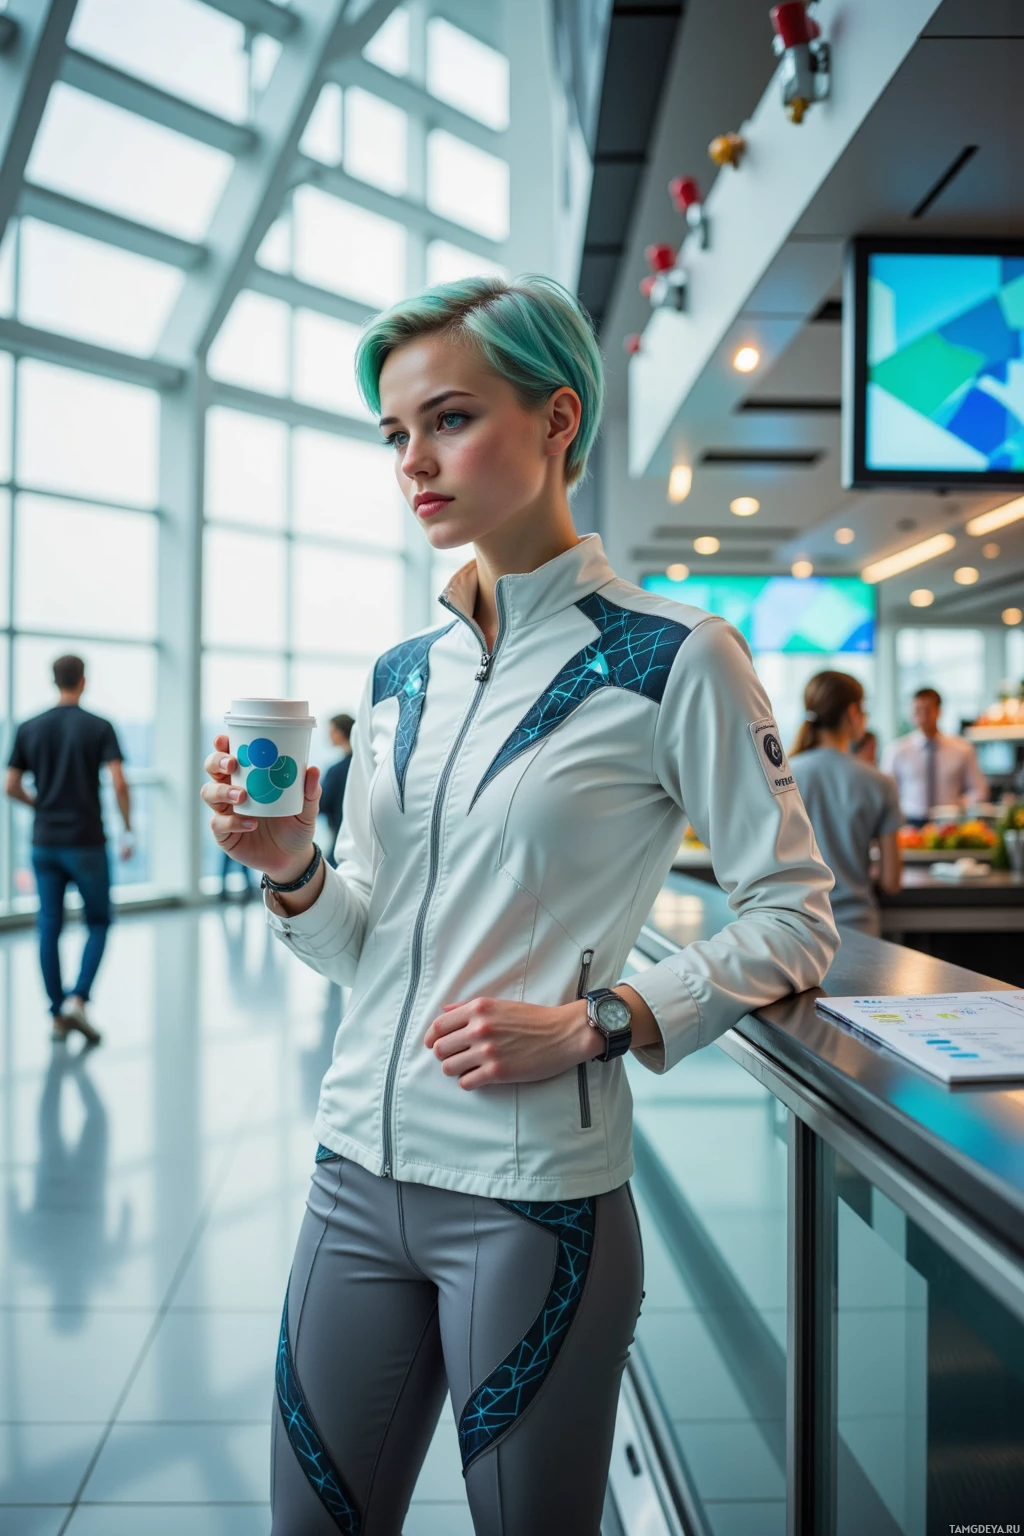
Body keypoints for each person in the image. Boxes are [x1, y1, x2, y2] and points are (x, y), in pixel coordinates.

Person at [202, 275, 838, 1536]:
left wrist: (603, 1018)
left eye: (447, 419)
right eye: (394, 434)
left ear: (557, 421)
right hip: (351, 1180)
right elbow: (369, 945)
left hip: (531, 1197)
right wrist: (291, 869)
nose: (413, 461)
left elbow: (794, 914)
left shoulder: (674, 656)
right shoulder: (399, 676)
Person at [6, 655, 132, 1047]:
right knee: (97, 921)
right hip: (87, 842)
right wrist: (127, 828)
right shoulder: (99, 726)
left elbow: (10, 785)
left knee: (49, 925)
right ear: (83, 680)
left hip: (44, 842)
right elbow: (119, 783)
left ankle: (58, 1011)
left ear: (52, 679)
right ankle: (78, 998)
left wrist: (39, 806)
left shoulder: (29, 727)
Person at [790, 672, 903, 936]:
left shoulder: (783, 776)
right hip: (858, 929)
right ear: (852, 712)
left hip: (796, 930)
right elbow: (891, 881)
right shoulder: (878, 782)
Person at [882, 686, 988, 826]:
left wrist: (960, 804)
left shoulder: (962, 749)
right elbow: (887, 793)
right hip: (910, 823)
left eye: (927, 710)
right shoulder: (897, 750)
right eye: (917, 711)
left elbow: (979, 790)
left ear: (939, 711)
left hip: (950, 822)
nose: (923, 717)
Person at [318, 712, 354, 866]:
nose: (328, 737)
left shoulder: (337, 771)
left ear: (340, 732)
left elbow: (321, 805)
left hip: (341, 834)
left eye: (331, 731)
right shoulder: (369, 765)